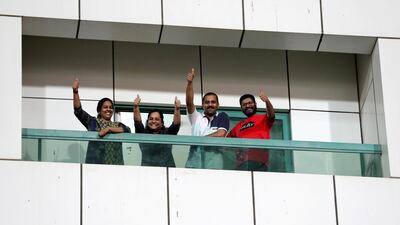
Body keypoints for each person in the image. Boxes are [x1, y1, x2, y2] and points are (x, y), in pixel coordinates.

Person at [72, 78, 131, 165]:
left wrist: (108, 129)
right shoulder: (93, 122)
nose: (108, 109)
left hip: (116, 166)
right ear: (99, 110)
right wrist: (75, 92)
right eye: (105, 107)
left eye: (111, 107)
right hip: (96, 166)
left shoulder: (117, 124)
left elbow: (127, 130)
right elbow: (78, 111)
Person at [185, 68, 230, 169]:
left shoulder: (222, 116)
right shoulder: (196, 117)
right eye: (207, 102)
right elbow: (189, 103)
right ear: (202, 104)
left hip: (214, 162)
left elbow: (220, 134)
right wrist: (189, 83)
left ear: (218, 104)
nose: (210, 104)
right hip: (194, 160)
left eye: (213, 102)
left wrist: (199, 141)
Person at [227, 91, 275, 171]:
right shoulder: (238, 126)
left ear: (255, 104)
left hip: (259, 162)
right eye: (244, 105)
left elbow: (271, 115)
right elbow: (225, 143)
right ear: (241, 108)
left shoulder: (263, 118)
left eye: (250, 103)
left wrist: (267, 101)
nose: (248, 106)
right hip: (241, 164)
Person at [133, 94, 181, 167]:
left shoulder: (167, 133)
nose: (153, 121)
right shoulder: (143, 133)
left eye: (157, 119)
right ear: (147, 121)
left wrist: (177, 109)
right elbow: (137, 122)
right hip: (147, 170)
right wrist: (136, 107)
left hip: (168, 170)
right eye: (151, 119)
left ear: (162, 123)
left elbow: (176, 125)